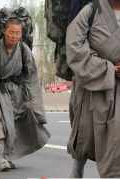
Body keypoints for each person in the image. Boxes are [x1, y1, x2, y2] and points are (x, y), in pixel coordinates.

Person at [0, 17, 50, 171]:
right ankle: (2, 158)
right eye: (11, 32)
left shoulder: (24, 49)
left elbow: (31, 76)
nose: (14, 36)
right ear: (5, 31)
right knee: (1, 123)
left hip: (16, 92)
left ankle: (9, 156)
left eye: (18, 33)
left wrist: (35, 105)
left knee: (14, 127)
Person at [66, 0, 120, 177]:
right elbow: (74, 47)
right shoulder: (91, 11)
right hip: (93, 88)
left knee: (115, 147)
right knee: (84, 142)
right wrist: (109, 69)